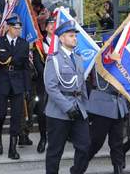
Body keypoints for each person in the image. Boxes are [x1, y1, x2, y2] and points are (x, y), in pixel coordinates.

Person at [44, 20, 90, 174]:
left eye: (75, 36)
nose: (74, 38)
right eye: (71, 36)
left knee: (85, 146)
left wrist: (85, 106)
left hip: (78, 108)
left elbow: (81, 84)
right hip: (59, 111)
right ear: (62, 38)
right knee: (55, 152)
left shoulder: (78, 58)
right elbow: (51, 87)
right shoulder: (54, 59)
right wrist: (67, 107)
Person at [0, 14, 30, 159]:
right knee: (0, 114)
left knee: (16, 116)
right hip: (1, 80)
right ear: (8, 27)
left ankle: (12, 148)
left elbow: (26, 67)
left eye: (19, 28)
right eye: (15, 27)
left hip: (18, 82)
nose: (18, 30)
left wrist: (27, 88)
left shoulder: (24, 44)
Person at [86, 67, 128, 174]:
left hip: (118, 104)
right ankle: (78, 168)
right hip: (102, 104)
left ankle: (118, 171)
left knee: (117, 144)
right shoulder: (100, 56)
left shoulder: (122, 60)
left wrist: (125, 107)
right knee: (95, 142)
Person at [32, 17, 55, 153]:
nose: (52, 26)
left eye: (54, 24)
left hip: (61, 84)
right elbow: (37, 63)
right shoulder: (40, 44)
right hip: (44, 83)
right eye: (50, 24)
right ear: (45, 27)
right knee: (42, 112)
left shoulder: (61, 42)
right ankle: (43, 138)